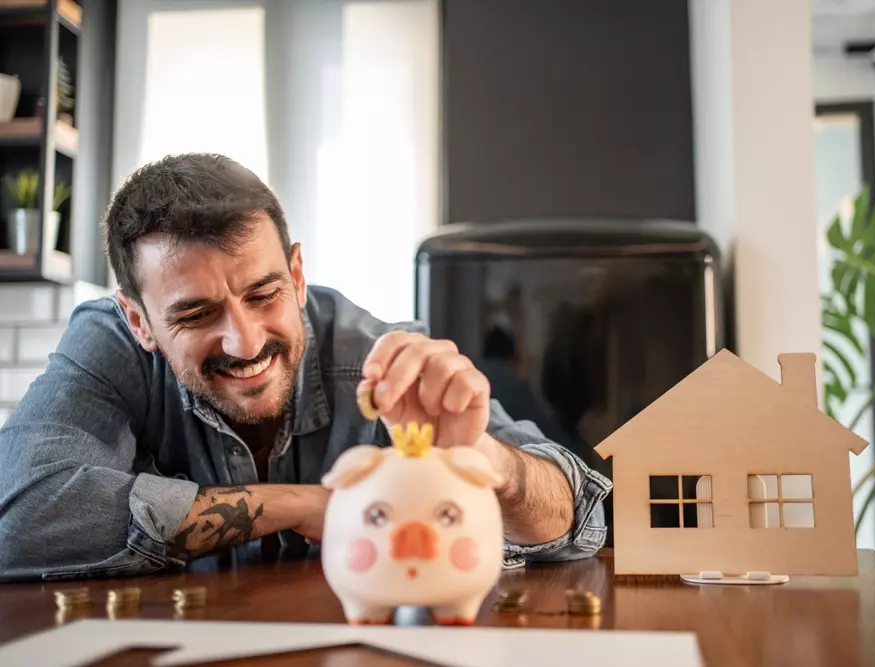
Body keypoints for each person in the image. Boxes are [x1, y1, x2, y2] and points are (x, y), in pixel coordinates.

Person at [0, 153, 611, 581]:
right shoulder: (108, 344)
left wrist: (481, 456)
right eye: (197, 314)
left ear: (296, 275)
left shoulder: (377, 354)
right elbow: (16, 516)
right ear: (139, 320)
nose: (245, 342)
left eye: (264, 294)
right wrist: (308, 504)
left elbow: (578, 519)